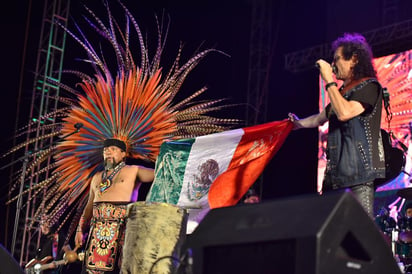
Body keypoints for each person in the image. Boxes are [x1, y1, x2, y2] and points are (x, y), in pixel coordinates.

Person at [288, 33, 385, 217]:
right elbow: (319, 119)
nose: (333, 65)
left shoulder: (370, 87)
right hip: (334, 179)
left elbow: (345, 112)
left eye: (337, 59)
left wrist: (328, 80)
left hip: (358, 178)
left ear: (354, 59)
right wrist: (296, 124)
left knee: (359, 236)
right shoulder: (340, 93)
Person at [75, 138, 154, 274]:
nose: (108, 153)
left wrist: (166, 157)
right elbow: (89, 207)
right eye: (106, 150)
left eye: (113, 149)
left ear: (123, 154)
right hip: (96, 234)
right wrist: (79, 228)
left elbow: (158, 174)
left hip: (122, 231)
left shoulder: (133, 171)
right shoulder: (97, 177)